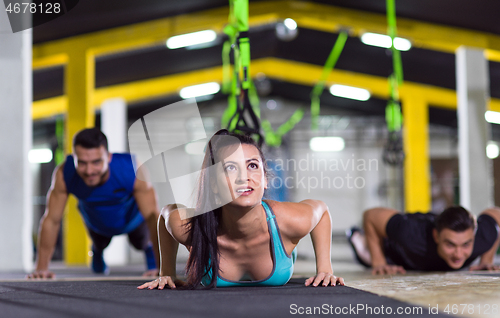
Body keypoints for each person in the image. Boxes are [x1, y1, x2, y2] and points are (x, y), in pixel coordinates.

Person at [138, 130, 345, 289]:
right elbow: (168, 213)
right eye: (230, 167)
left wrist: (325, 268)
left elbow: (322, 211)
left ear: (265, 180)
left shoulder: (288, 221)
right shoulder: (193, 228)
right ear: (213, 184)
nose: (243, 177)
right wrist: (167, 272)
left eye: (253, 166)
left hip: (277, 236)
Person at [28, 128, 161, 278]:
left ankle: (149, 252)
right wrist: (41, 268)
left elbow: (153, 217)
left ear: (109, 157)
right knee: (100, 243)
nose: (89, 171)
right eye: (82, 163)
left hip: (131, 220)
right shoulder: (64, 173)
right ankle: (97, 251)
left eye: (96, 162)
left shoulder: (132, 168)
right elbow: (51, 220)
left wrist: (162, 267)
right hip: (96, 222)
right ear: (74, 158)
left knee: (141, 242)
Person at [347, 206, 500, 275]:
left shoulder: (483, 237)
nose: (458, 254)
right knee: (366, 254)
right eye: (450, 245)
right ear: (436, 236)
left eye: (466, 244)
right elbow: (371, 215)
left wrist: (486, 260)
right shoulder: (411, 233)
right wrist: (379, 262)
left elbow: (495, 213)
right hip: (392, 252)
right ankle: (355, 235)